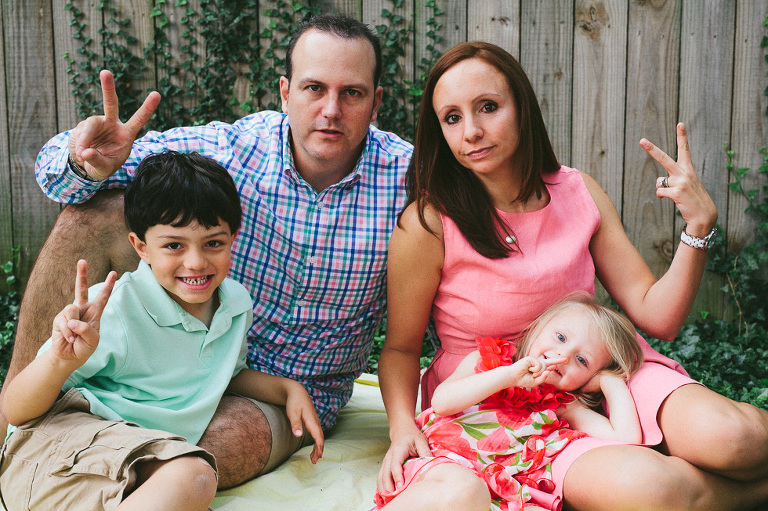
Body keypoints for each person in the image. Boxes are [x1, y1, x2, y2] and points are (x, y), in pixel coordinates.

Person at [1, 13, 411, 489]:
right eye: (314, 88)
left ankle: (72, 467)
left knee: (195, 456)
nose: (331, 109)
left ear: (376, 101)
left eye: (352, 93)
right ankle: (15, 415)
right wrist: (85, 161)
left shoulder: (413, 181)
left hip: (281, 394)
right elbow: (57, 178)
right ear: (285, 92)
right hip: (182, 357)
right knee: (90, 212)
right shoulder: (234, 149)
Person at [377, 41, 768, 510]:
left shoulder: (577, 191)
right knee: (652, 490)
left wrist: (697, 228)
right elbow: (400, 348)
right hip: (498, 400)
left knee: (736, 440)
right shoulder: (427, 223)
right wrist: (402, 428)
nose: (473, 131)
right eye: (453, 118)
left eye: (488, 107)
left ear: (521, 108)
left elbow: (657, 315)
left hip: (600, 366)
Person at [0, 151, 323, 510]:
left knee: (192, 474)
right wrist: (59, 362)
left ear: (234, 236)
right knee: (193, 475)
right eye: (174, 246)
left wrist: (287, 389)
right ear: (141, 247)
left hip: (127, 453)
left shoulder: (235, 304)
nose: (196, 262)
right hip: (55, 449)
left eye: (213, 243)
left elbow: (223, 374)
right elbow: (16, 411)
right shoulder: (113, 312)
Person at [375, 293, 644, 511]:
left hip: (497, 494)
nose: (562, 355)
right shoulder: (488, 363)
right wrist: (507, 376)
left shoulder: (562, 406)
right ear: (539, 328)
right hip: (438, 467)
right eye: (560, 338)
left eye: (582, 360)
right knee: (465, 490)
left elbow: (626, 437)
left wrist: (611, 382)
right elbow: (443, 403)